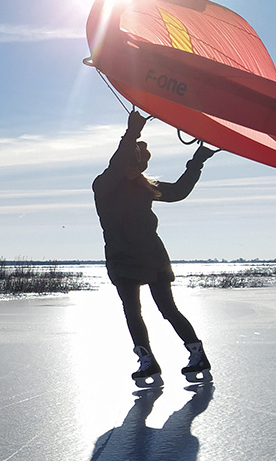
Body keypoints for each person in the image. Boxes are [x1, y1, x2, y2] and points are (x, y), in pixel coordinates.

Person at [93, 111, 216, 386]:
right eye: (133, 163)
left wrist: (197, 161)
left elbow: (179, 191)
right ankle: (147, 361)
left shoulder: (144, 187)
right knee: (132, 311)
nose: (137, 170)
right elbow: (116, 165)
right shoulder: (104, 186)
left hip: (152, 258)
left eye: (140, 165)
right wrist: (131, 134)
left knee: (167, 308)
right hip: (123, 261)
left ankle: (197, 353)